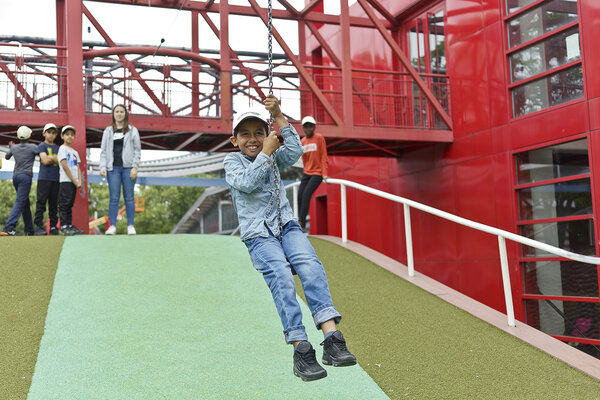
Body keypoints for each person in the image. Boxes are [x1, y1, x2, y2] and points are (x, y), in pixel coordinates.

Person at [224, 94, 356, 382]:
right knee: (282, 276)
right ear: (234, 140)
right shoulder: (232, 161)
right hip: (259, 236)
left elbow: (295, 148)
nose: (253, 139)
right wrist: (266, 152)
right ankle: (301, 348)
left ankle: (332, 339)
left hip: (286, 226)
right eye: (245, 134)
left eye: (259, 132)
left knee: (310, 265)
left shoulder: (272, 155)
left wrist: (279, 115)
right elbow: (246, 184)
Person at [99, 104, 141, 235]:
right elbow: (104, 151)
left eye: (121, 112)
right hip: (113, 169)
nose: (119, 114)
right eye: (116, 112)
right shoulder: (108, 131)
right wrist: (103, 167)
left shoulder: (133, 130)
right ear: (113, 114)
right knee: (114, 198)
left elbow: (137, 150)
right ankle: (112, 226)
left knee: (129, 197)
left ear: (125, 114)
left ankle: (130, 226)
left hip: (128, 168)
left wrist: (135, 167)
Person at [1, 126, 38, 236]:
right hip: (26, 177)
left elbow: (7, 157)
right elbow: (41, 154)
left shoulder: (14, 148)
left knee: (24, 202)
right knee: (20, 201)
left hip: (15, 177)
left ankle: (29, 230)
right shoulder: (33, 147)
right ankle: (8, 227)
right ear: (30, 135)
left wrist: (11, 147)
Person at [297, 116, 328, 231]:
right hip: (307, 172)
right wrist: (306, 170)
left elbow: (324, 156)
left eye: (310, 126)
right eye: (306, 126)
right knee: (300, 194)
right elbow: (304, 159)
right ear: (303, 128)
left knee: (306, 194)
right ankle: (301, 221)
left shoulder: (319, 138)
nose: (308, 128)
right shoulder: (302, 141)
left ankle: (301, 222)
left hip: (317, 173)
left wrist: (324, 174)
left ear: (314, 127)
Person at [33, 123, 60, 236]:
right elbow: (44, 160)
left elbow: (62, 162)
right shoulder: (41, 146)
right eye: (49, 132)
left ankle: (53, 227)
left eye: (54, 133)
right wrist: (54, 158)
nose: (51, 135)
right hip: (44, 179)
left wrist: (51, 158)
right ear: (44, 133)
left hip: (56, 179)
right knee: (41, 203)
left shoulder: (58, 148)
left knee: (54, 204)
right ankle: (39, 227)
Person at [57, 125, 83, 236]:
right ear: (62, 136)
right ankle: (63, 226)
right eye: (67, 134)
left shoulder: (75, 152)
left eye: (72, 135)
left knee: (70, 204)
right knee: (64, 204)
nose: (70, 137)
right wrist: (74, 180)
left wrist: (79, 181)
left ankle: (69, 225)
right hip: (65, 181)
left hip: (74, 182)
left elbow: (78, 167)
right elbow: (65, 166)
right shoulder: (62, 149)